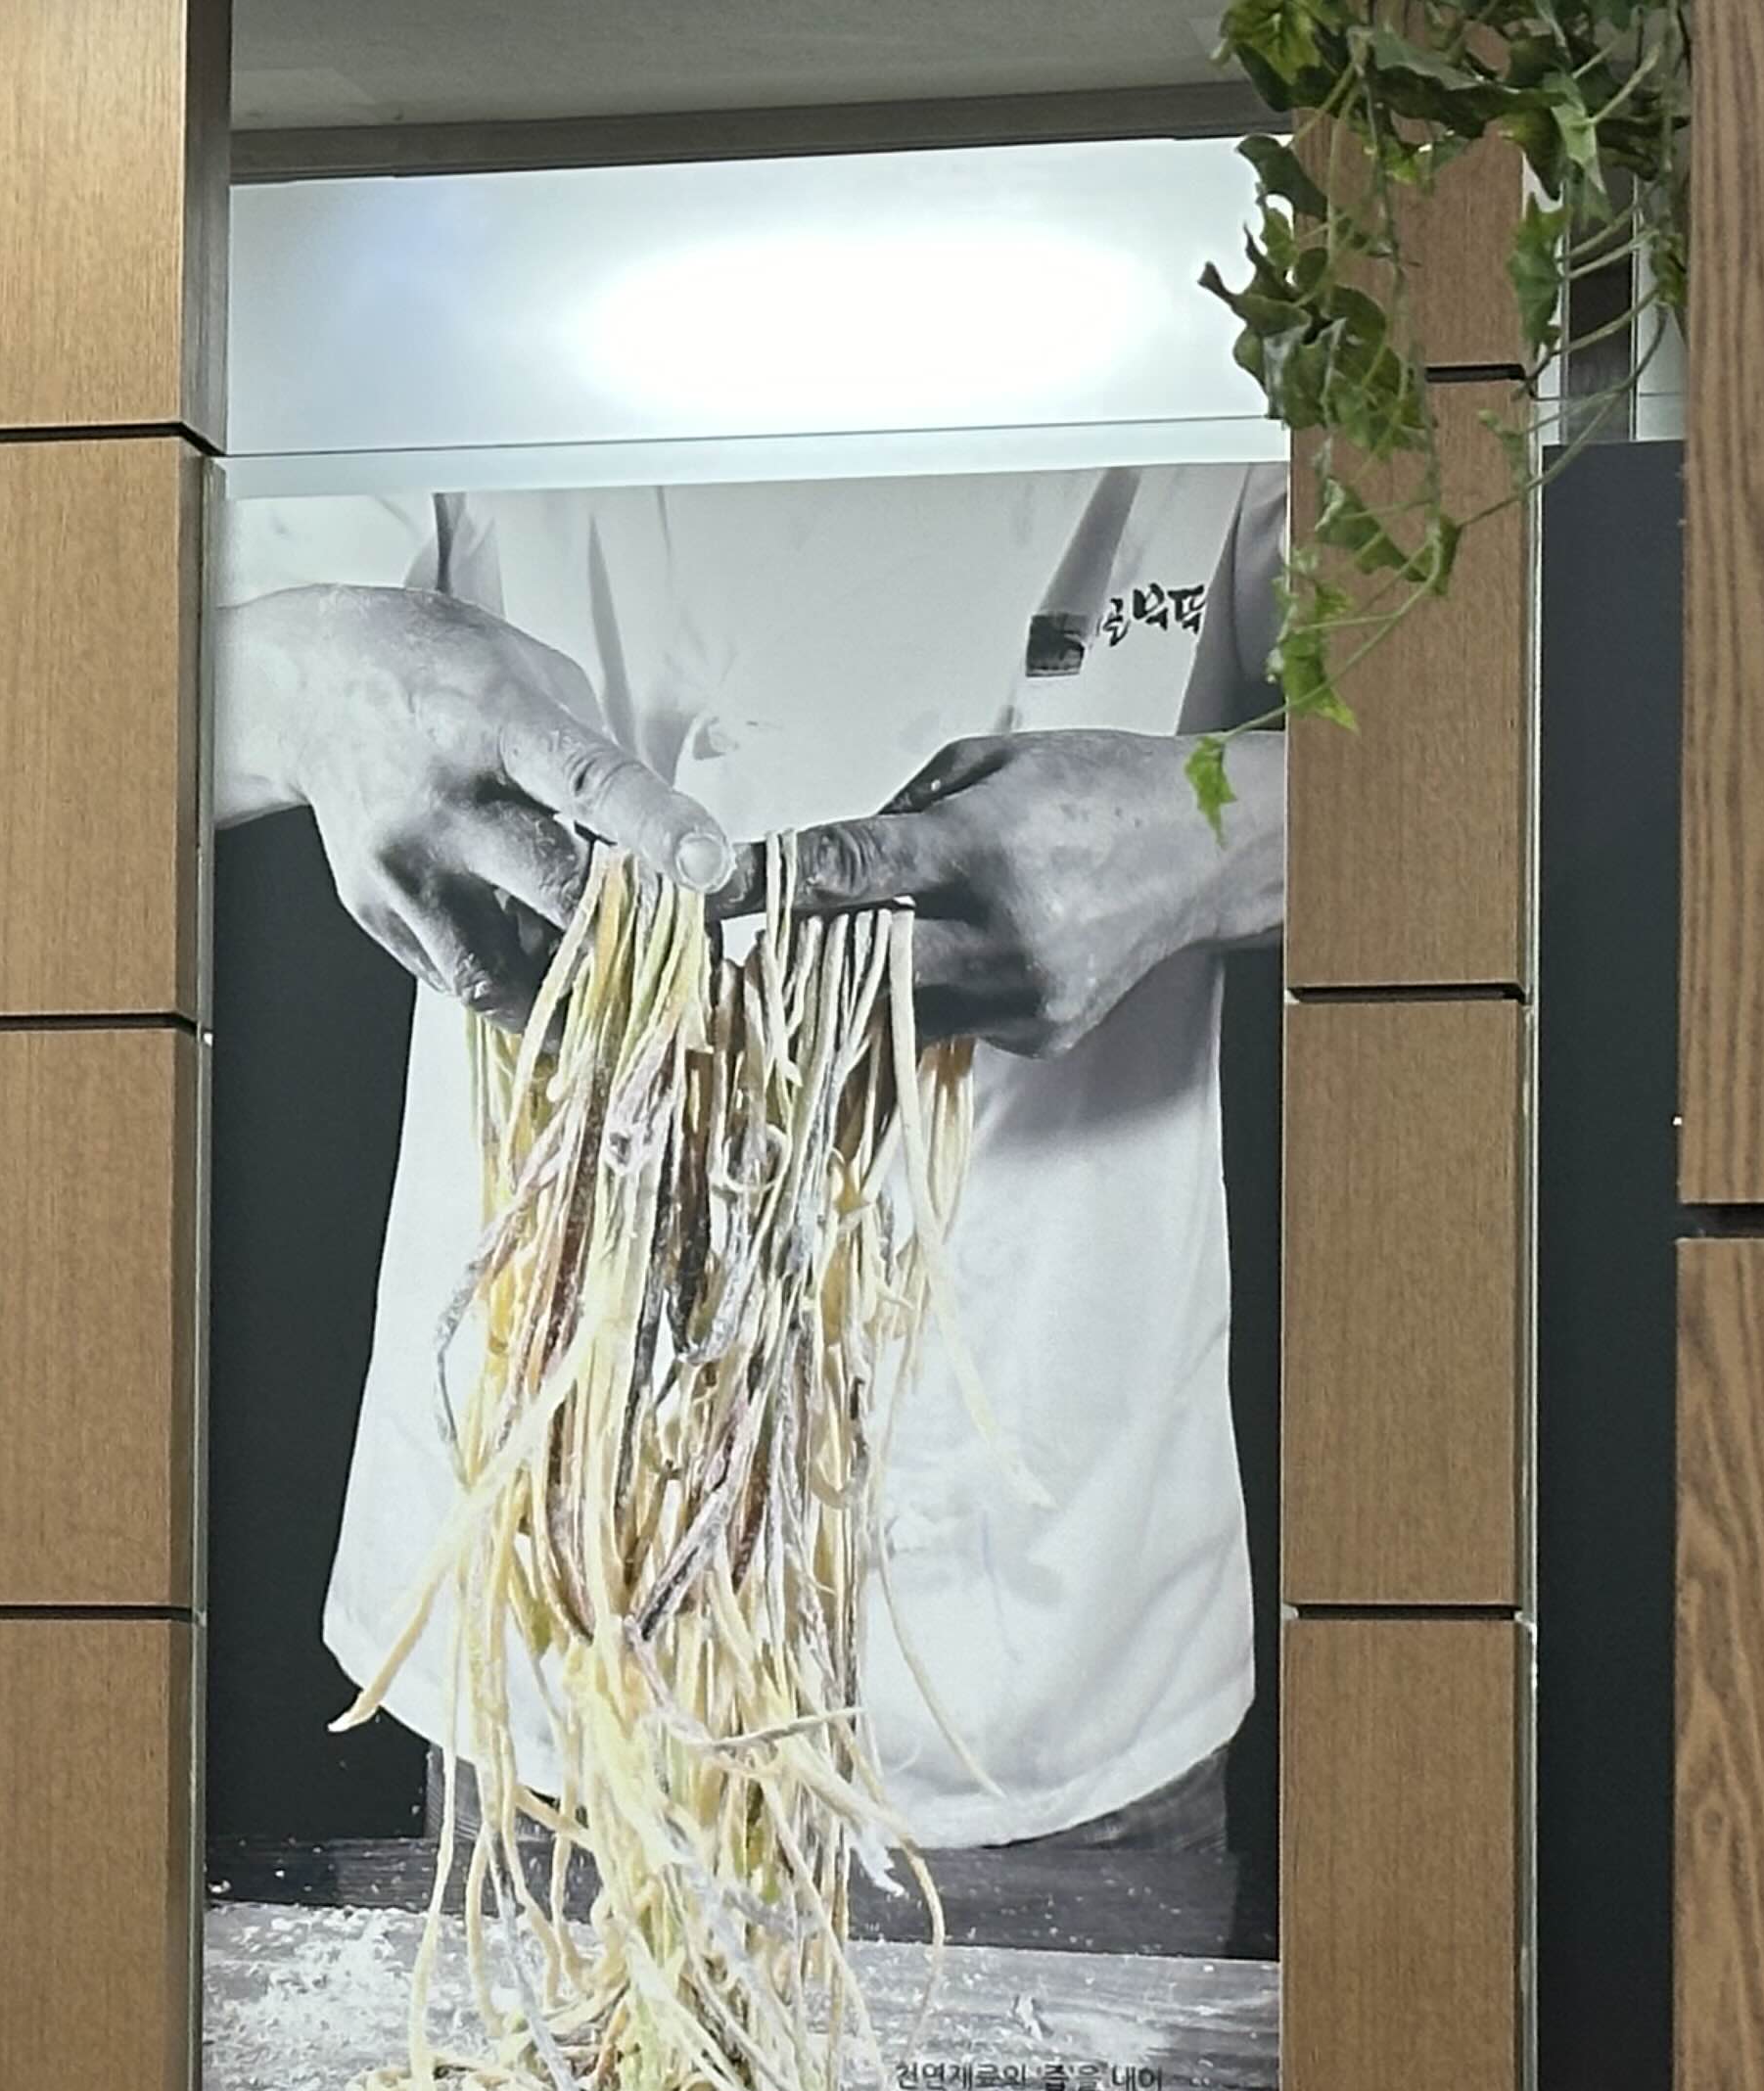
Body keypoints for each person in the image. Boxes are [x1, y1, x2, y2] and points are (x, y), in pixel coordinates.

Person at [213, 464, 1285, 1852]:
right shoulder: (421, 322)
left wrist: (1214, 833)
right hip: (547, 1622)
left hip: (1056, 1633)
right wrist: (324, 679)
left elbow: (1462, 730)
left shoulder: (1263, 340)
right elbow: (122, 659)